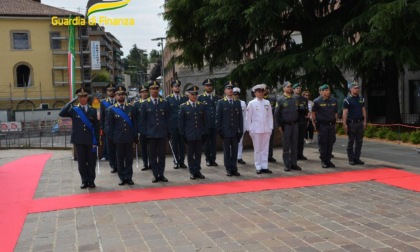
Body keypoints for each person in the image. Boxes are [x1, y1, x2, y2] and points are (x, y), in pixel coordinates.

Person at [59, 87, 99, 189]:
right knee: (81, 162)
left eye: (84, 96)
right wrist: (71, 102)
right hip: (79, 140)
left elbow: (96, 127)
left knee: (91, 161)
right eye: (80, 97)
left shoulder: (93, 110)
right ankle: (84, 181)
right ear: (78, 98)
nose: (83, 99)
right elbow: (62, 113)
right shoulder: (73, 110)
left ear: (87, 97)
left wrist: (97, 140)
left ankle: (91, 181)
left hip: (90, 140)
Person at [139, 81, 170, 183]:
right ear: (149, 90)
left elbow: (167, 119)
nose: (155, 90)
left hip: (161, 134)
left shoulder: (164, 103)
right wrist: (144, 134)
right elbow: (142, 121)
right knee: (152, 155)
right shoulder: (145, 104)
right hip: (151, 134)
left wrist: (168, 132)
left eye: (156, 88)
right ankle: (155, 174)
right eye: (152, 88)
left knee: (161, 155)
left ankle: (161, 174)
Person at [108, 85, 137, 186]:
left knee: (129, 158)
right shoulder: (111, 110)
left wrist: (135, 136)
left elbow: (135, 123)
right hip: (118, 138)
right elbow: (110, 126)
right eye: (118, 95)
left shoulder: (131, 108)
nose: (121, 96)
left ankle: (129, 177)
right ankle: (121, 177)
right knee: (119, 159)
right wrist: (111, 139)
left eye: (122, 94)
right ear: (115, 96)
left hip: (129, 137)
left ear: (125, 95)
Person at [179, 85, 207, 179]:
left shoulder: (201, 105)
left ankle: (197, 170)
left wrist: (204, 132)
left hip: (199, 134)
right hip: (189, 135)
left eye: (196, 94)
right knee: (190, 154)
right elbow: (181, 123)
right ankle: (192, 171)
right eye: (192, 94)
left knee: (198, 154)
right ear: (188, 95)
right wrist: (182, 135)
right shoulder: (183, 107)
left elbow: (204, 121)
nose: (194, 96)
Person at [216, 81, 243, 177]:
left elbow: (240, 118)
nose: (230, 90)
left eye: (231, 88)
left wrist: (240, 130)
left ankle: (234, 168)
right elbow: (218, 118)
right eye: (228, 88)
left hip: (235, 131)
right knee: (227, 151)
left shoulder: (237, 102)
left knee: (235, 151)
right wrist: (220, 131)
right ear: (225, 91)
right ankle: (228, 168)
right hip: (226, 131)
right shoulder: (221, 103)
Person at [245, 84, 273, 174]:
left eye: (262, 92)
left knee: (265, 148)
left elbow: (270, 116)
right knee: (257, 149)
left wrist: (270, 127)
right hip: (256, 129)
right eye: (258, 92)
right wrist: (250, 129)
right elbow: (248, 118)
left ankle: (265, 166)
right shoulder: (251, 103)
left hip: (266, 129)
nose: (260, 93)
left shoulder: (267, 102)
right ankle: (258, 166)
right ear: (255, 93)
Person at [275, 81, 301, 172]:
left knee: (294, 145)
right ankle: (287, 164)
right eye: (288, 87)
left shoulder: (295, 99)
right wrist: (278, 126)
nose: (290, 88)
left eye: (291, 87)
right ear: (284, 88)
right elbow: (277, 114)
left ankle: (294, 163)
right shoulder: (280, 99)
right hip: (286, 126)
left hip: (295, 125)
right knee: (286, 145)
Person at [312, 84, 338, 168]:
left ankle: (328, 160)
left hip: (331, 125)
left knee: (330, 143)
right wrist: (315, 125)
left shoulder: (333, 100)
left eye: (329, 90)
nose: (328, 91)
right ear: (322, 92)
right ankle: (323, 160)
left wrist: (336, 122)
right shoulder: (317, 101)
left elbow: (335, 113)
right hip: (322, 125)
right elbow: (313, 114)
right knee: (323, 143)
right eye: (326, 90)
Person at [342, 81, 367, 165]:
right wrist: (344, 124)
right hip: (351, 123)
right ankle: (351, 159)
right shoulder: (347, 100)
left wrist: (365, 121)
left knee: (359, 142)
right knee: (351, 142)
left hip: (360, 123)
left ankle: (357, 158)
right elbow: (345, 112)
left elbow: (363, 110)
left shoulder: (361, 99)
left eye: (358, 88)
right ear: (351, 89)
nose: (357, 89)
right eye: (355, 88)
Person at [166, 80, 188, 169]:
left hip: (182, 125)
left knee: (182, 144)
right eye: (175, 86)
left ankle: (182, 161)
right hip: (173, 125)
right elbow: (167, 114)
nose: (177, 87)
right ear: (172, 88)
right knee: (174, 144)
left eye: (178, 86)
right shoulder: (168, 99)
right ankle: (175, 161)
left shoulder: (184, 98)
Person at [198, 79, 218, 166]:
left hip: (214, 124)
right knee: (206, 143)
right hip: (205, 124)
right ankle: (207, 159)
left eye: (210, 85)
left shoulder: (216, 97)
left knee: (213, 142)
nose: (209, 87)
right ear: (204, 87)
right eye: (207, 85)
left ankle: (213, 159)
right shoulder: (201, 98)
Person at [99, 83, 117, 173]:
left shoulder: (119, 101)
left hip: (118, 129)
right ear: (106, 92)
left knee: (119, 148)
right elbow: (102, 116)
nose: (111, 92)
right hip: (108, 129)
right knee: (110, 149)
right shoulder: (103, 103)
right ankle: (113, 165)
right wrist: (102, 128)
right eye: (109, 90)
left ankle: (119, 164)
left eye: (113, 90)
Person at [134, 84, 150, 171]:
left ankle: (152, 163)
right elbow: (135, 119)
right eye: (142, 92)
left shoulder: (151, 102)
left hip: (151, 129)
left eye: (145, 92)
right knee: (143, 148)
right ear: (140, 93)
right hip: (142, 130)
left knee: (151, 148)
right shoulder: (136, 105)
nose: (144, 94)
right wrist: (137, 130)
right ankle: (145, 164)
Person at [292, 83, 309, 160]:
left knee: (301, 138)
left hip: (302, 120)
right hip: (294, 120)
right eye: (297, 88)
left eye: (299, 88)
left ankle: (300, 154)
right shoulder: (291, 98)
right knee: (294, 139)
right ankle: (294, 154)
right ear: (293, 90)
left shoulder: (304, 99)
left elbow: (306, 109)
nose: (298, 89)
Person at [233, 87, 247, 164]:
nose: (236, 96)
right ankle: (233, 157)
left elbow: (245, 116)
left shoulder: (243, 103)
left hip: (240, 125)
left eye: (237, 94)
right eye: (235, 94)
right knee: (232, 143)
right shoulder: (230, 103)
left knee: (240, 143)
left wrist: (245, 126)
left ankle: (239, 157)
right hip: (232, 126)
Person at [264, 88, 277, 163]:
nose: (265, 90)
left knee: (270, 140)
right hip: (262, 123)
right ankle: (264, 156)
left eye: (266, 89)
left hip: (270, 122)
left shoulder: (273, 99)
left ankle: (270, 156)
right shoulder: (258, 99)